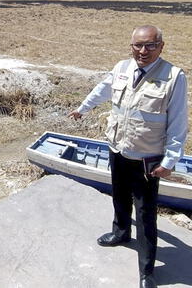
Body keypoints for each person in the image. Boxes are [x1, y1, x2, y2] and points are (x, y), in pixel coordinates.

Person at [68, 25, 188, 288]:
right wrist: (83, 108)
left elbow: (178, 123)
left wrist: (169, 161)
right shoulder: (121, 67)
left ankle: (146, 271)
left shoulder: (174, 76)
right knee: (119, 195)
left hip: (147, 156)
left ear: (161, 46)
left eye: (150, 45)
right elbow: (103, 89)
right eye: (137, 45)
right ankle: (120, 233)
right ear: (131, 45)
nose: (143, 51)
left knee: (145, 213)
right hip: (118, 147)